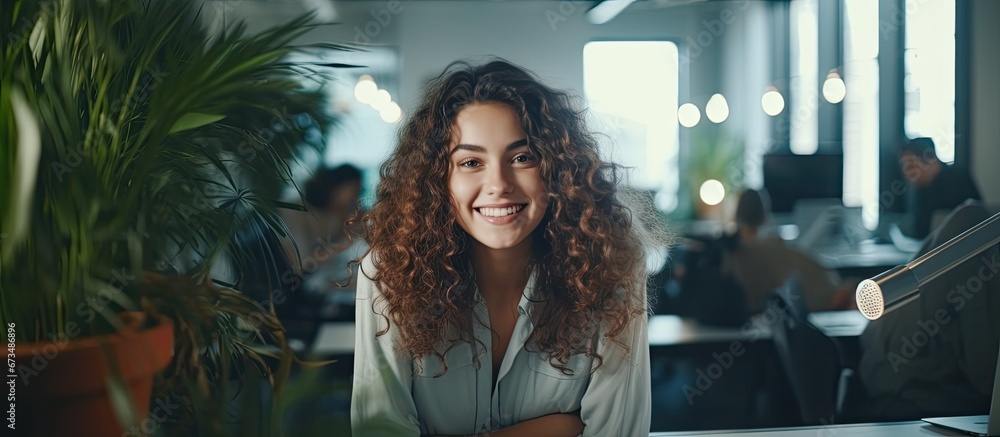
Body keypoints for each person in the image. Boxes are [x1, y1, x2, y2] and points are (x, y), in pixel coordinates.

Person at [350, 59, 662, 436]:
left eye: (522, 157)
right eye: (470, 162)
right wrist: (561, 428)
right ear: (437, 180)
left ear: (556, 170)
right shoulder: (387, 273)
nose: (498, 183)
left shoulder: (611, 267)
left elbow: (619, 432)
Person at [858, 201, 999, 420]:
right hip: (912, 401)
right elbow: (986, 376)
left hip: (888, 380)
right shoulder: (978, 241)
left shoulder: (971, 222)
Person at [721, 189, 846, 314]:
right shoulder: (770, 250)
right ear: (764, 214)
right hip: (766, 317)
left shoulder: (728, 250)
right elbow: (817, 282)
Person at [280, 164, 369, 297]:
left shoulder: (338, 211)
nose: (356, 199)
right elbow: (303, 263)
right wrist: (347, 238)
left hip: (320, 278)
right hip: (299, 287)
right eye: (353, 192)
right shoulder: (294, 211)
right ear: (335, 189)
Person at [899, 137, 981, 240]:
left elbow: (975, 223)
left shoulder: (957, 179)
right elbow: (920, 232)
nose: (906, 173)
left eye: (910, 166)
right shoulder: (921, 189)